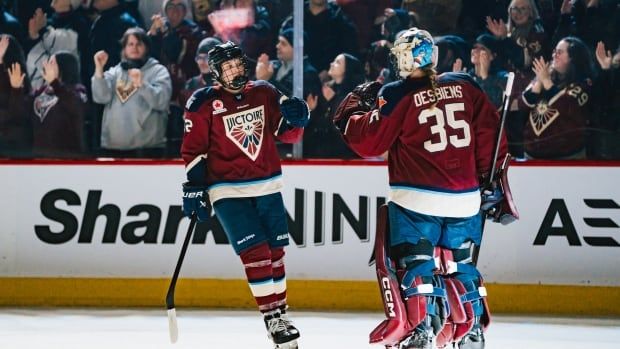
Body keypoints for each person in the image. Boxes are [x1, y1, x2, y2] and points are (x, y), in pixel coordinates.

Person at [333, 27, 518, 349]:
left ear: (405, 58)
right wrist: (489, 180)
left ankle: (422, 330)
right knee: (461, 264)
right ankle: (472, 331)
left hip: (416, 198)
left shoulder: (397, 93)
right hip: (465, 199)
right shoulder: (466, 85)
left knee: (418, 263)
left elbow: (369, 141)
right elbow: (492, 138)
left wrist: (351, 114)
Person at [180, 41, 309, 349]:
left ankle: (281, 314)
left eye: (239, 64)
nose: (236, 70)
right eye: (228, 67)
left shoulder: (264, 92)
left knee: (275, 253)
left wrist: (297, 121)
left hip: (267, 184)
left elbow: (286, 134)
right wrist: (195, 187)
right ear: (215, 72)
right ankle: (272, 318)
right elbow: (192, 151)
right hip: (227, 189)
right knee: (256, 253)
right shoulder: (202, 103)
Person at [91, 27, 172, 158]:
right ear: (124, 48)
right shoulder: (115, 71)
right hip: (113, 147)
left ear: (146, 47)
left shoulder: (158, 71)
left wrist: (142, 85)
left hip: (147, 148)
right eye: (130, 44)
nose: (134, 48)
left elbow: (161, 102)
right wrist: (99, 69)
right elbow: (100, 97)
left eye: (139, 44)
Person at [520, 36, 594, 159]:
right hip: (532, 156)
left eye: (560, 52)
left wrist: (546, 81)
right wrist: (539, 81)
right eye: (554, 51)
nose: (554, 55)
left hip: (566, 158)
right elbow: (525, 103)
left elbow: (565, 106)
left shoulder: (584, 83)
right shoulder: (546, 75)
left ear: (573, 57)